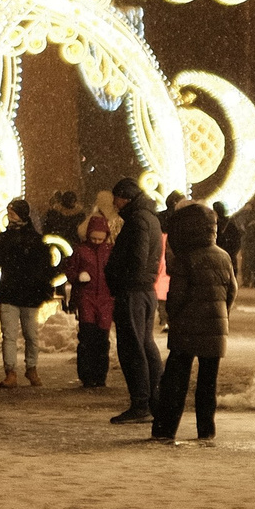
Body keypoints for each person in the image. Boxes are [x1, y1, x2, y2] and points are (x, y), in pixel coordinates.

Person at [150, 203, 236, 443]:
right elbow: (232, 291)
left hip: (186, 329)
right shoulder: (224, 256)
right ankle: (206, 430)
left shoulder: (186, 259)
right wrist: (220, 313)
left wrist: (174, 316)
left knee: (176, 380)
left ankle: (166, 428)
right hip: (215, 329)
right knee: (208, 383)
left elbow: (176, 296)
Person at [106, 177, 165, 425]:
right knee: (145, 345)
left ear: (126, 197)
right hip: (144, 290)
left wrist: (120, 279)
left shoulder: (137, 220)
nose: (114, 204)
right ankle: (155, 400)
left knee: (133, 348)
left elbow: (137, 258)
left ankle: (141, 403)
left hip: (134, 292)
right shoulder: (149, 217)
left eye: (116, 199)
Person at [0, 199, 55, 388]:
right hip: (10, 292)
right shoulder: (5, 238)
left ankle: (31, 367)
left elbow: (43, 267)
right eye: (9, 211)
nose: (10, 215)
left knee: (31, 335)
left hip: (28, 294)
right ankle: (11, 371)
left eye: (13, 212)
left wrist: (43, 287)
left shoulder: (34, 240)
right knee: (9, 335)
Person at [63, 198, 118, 389]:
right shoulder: (81, 251)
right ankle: (87, 375)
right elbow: (70, 270)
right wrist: (78, 277)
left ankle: (100, 375)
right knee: (87, 337)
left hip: (105, 299)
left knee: (102, 339)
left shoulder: (109, 251)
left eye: (99, 239)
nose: (96, 242)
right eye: (94, 238)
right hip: (87, 297)